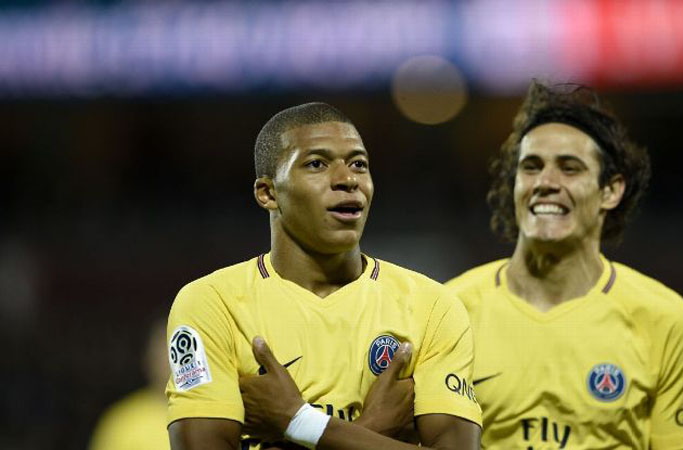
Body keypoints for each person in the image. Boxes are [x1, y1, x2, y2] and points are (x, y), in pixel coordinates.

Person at [165, 102, 482, 450]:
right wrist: (372, 428)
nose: (348, 180)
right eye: (316, 164)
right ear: (268, 193)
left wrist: (295, 420)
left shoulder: (431, 307)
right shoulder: (212, 304)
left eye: (359, 164)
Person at [446, 82, 683, 449]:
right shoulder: (447, 314)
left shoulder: (670, 324)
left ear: (611, 190)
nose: (545, 183)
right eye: (531, 167)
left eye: (569, 169)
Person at [89, 318, 170, 450]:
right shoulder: (123, 422)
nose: (171, 361)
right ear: (148, 357)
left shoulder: (211, 415)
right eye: (164, 349)